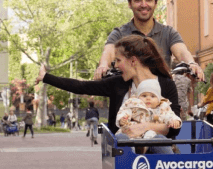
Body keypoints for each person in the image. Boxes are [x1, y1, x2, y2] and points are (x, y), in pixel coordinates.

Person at [38, 35, 180, 154]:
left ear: (133, 61)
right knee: (122, 141)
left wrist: (143, 127)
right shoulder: (118, 83)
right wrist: (46, 77)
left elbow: (174, 128)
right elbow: (82, 86)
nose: (116, 66)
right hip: (126, 149)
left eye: (118, 60)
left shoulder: (166, 84)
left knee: (160, 142)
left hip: (156, 149)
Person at [94, 0, 205, 82]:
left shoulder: (168, 33)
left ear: (155, 4)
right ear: (129, 4)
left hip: (161, 96)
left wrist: (191, 63)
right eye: (138, 0)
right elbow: (108, 52)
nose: (144, 4)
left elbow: (181, 51)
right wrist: (103, 65)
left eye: (148, 0)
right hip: (128, 96)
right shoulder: (119, 33)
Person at [116, 79, 182, 139]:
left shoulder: (162, 108)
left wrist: (174, 121)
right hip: (132, 132)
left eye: (153, 96)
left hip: (151, 135)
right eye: (144, 96)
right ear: (138, 97)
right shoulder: (134, 104)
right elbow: (125, 111)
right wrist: (122, 119)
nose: (148, 98)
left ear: (159, 99)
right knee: (123, 136)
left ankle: (145, 147)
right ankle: (131, 149)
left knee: (157, 137)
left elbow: (169, 115)